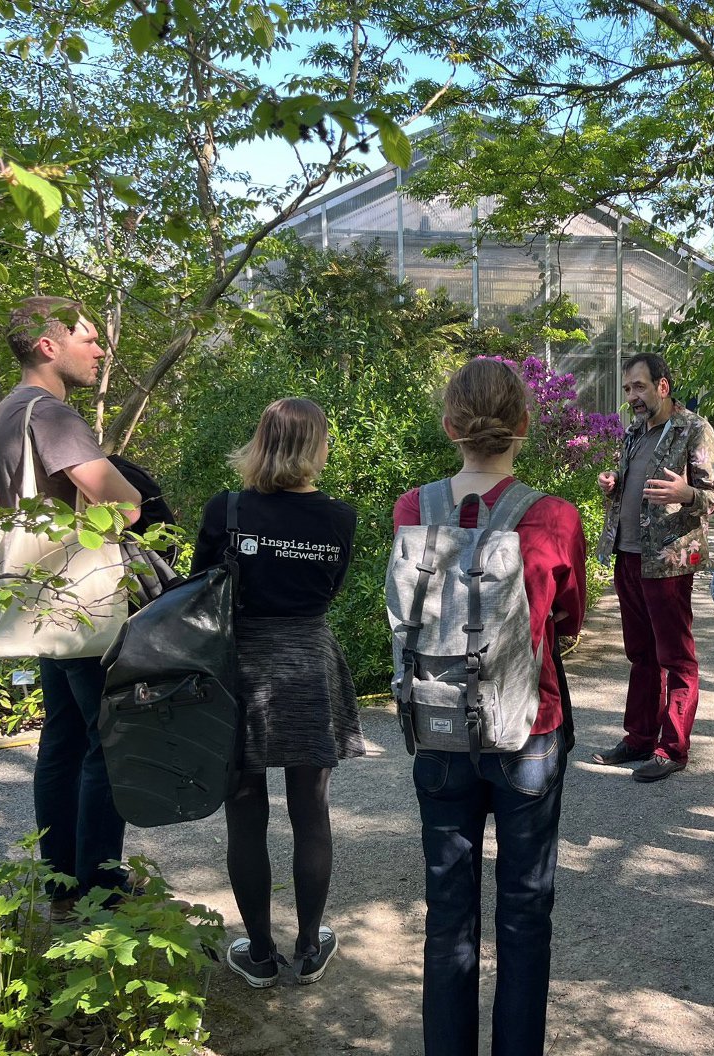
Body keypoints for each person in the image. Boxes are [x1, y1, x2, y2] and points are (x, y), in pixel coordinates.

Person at [395, 358, 587, 1056]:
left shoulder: (414, 509)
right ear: (525, 428)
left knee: (447, 914)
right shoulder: (554, 516)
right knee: (525, 909)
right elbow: (567, 620)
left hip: (439, 728)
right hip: (527, 730)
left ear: (449, 426)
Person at [191, 398, 361, 988]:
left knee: (245, 815)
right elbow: (329, 589)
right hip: (309, 666)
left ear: (261, 441)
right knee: (311, 811)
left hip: (238, 670)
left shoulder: (227, 509)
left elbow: (200, 591)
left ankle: (260, 954)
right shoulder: (339, 517)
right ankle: (311, 947)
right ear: (317, 446)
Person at [0, 297, 143, 909]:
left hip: (37, 596)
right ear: (49, 347)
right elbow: (121, 506)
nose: (100, 351)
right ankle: (101, 888)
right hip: (79, 602)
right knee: (108, 740)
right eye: (89, 339)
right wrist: (129, 491)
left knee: (63, 738)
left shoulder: (6, 411)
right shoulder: (50, 414)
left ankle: (61, 884)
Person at [591, 352, 714, 782]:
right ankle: (640, 737)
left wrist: (687, 493)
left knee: (675, 656)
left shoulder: (695, 430)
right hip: (628, 554)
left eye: (640, 387)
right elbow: (633, 487)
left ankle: (673, 747)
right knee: (640, 654)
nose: (632, 396)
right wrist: (614, 484)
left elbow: (711, 499)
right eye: (628, 389)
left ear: (663, 386)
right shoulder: (634, 433)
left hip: (667, 559)